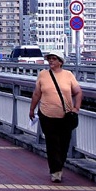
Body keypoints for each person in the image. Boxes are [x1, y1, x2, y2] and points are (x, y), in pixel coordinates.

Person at [29, 49, 83, 183]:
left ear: (60, 61)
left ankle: (59, 165)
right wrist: (32, 109)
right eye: (49, 59)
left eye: (53, 59)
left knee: (64, 143)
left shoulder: (68, 75)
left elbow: (78, 92)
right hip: (47, 114)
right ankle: (55, 171)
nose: (51, 61)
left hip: (65, 115)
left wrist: (76, 108)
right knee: (52, 142)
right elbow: (37, 94)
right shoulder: (43, 74)